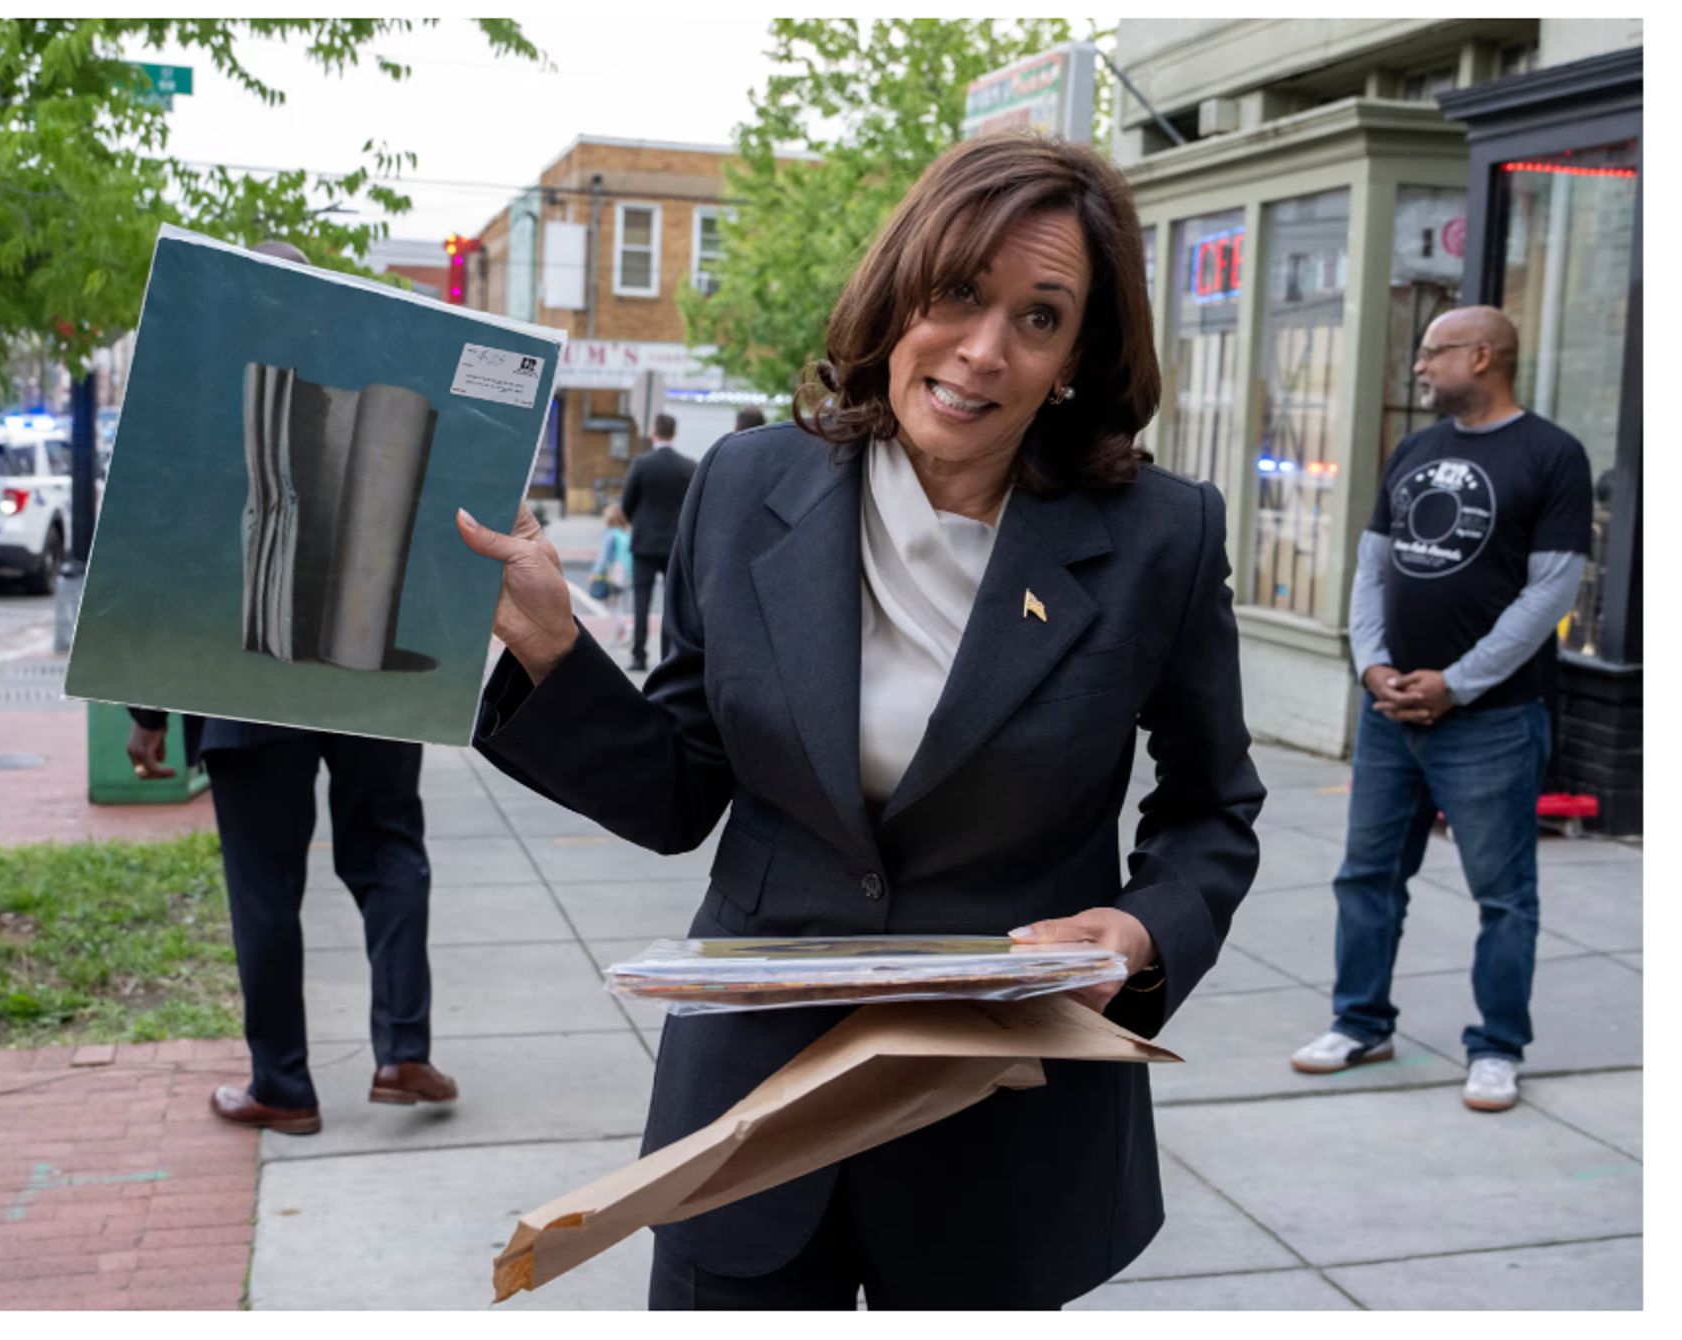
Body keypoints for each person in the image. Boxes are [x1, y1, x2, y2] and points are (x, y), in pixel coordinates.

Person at [457, 134, 1263, 1310]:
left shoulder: (1158, 537)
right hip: (748, 1115)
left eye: (1038, 318)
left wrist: (1138, 931)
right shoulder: (744, 486)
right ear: (899, 292)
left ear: (1077, 354)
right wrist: (548, 649)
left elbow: (1210, 809)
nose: (982, 350)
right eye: (957, 293)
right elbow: (681, 787)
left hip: (995, 1126)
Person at [124, 237, 456, 1137]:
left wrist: (147, 712)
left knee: (263, 885)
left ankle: (284, 1086)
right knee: (388, 849)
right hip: (369, 674)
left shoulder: (210, 389)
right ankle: (400, 1050)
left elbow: (173, 554)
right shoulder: (390, 371)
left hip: (245, 678)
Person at [1292, 306, 1593, 1115]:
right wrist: (1374, 664)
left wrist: (1456, 682)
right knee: (1367, 879)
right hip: (1390, 716)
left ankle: (1497, 1048)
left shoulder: (1552, 455)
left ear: (1484, 356)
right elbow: (1371, 568)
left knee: (1503, 895)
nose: (1421, 366)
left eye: (1434, 352)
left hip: (1490, 722)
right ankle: (1359, 1023)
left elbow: (1551, 591)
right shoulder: (1417, 449)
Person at [618, 412, 696, 672]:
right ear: (674, 433)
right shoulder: (688, 466)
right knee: (670, 603)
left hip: (644, 542)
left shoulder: (642, 464)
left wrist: (636, 523)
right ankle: (666, 656)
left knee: (641, 600)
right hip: (675, 543)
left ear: (655, 432)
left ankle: (639, 655)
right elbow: (692, 507)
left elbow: (627, 502)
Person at [594, 503, 634, 645]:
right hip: (630, 572)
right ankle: (623, 631)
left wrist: (596, 573)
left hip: (615, 571)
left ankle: (622, 629)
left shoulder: (610, 533)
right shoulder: (627, 531)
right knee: (625, 603)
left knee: (611, 603)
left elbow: (604, 557)